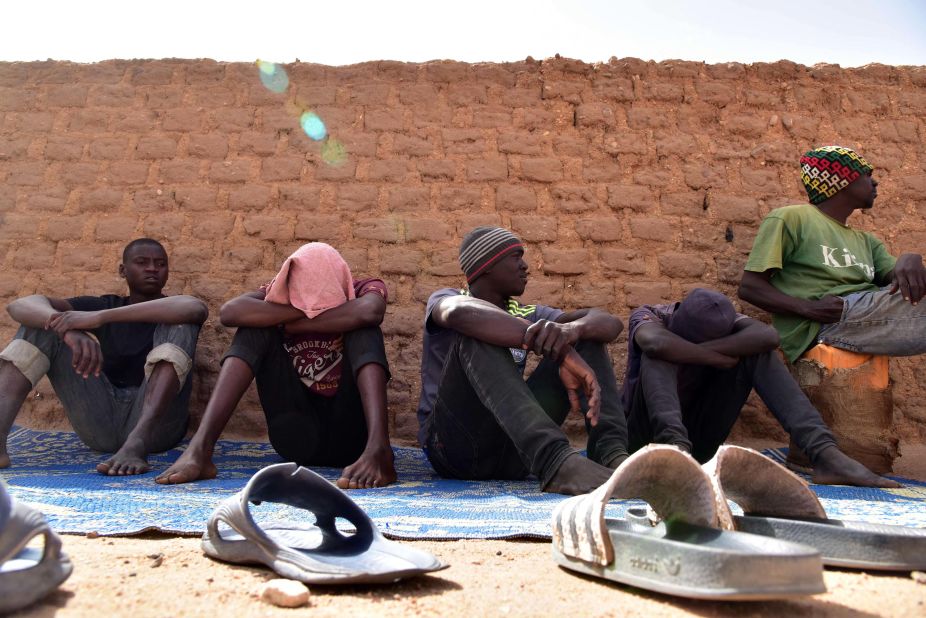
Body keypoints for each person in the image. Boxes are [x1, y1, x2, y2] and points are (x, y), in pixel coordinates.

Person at [156, 243, 396, 489]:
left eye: (319, 290)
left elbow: (370, 312)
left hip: (353, 440)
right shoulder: (278, 291)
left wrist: (293, 324)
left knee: (365, 331)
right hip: (295, 437)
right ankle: (200, 449)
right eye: (303, 290)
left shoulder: (363, 288)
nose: (310, 298)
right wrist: (303, 309)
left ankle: (379, 450)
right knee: (253, 329)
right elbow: (230, 313)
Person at [416, 226, 629, 496]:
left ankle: (612, 454)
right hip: (456, 450)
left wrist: (570, 332)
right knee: (476, 332)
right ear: (487, 265)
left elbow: (609, 323)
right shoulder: (450, 298)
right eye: (516, 257)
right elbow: (458, 313)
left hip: (516, 450)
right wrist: (562, 352)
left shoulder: (528, 312)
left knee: (586, 334)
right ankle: (556, 462)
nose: (525, 266)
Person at [623, 287, 898, 487]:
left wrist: (691, 351)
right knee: (658, 354)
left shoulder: (730, 324)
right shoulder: (653, 316)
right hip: (644, 437)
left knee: (757, 351)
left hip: (699, 440)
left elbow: (767, 336)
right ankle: (675, 453)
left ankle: (824, 453)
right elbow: (656, 343)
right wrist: (713, 357)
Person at [0, 238, 207, 476]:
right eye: (142, 262)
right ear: (123, 270)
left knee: (182, 325)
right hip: (100, 419)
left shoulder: (164, 307)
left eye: (160, 264)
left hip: (156, 431)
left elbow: (195, 308)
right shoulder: (104, 303)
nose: (152, 268)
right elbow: (20, 305)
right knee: (40, 325)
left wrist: (98, 318)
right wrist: (68, 330)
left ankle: (135, 444)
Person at [739, 145, 926, 364]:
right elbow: (749, 287)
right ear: (842, 180)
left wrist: (910, 261)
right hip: (826, 320)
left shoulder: (867, 241)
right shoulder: (792, 218)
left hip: (866, 311)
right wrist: (809, 309)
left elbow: (904, 282)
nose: (875, 182)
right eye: (867, 175)